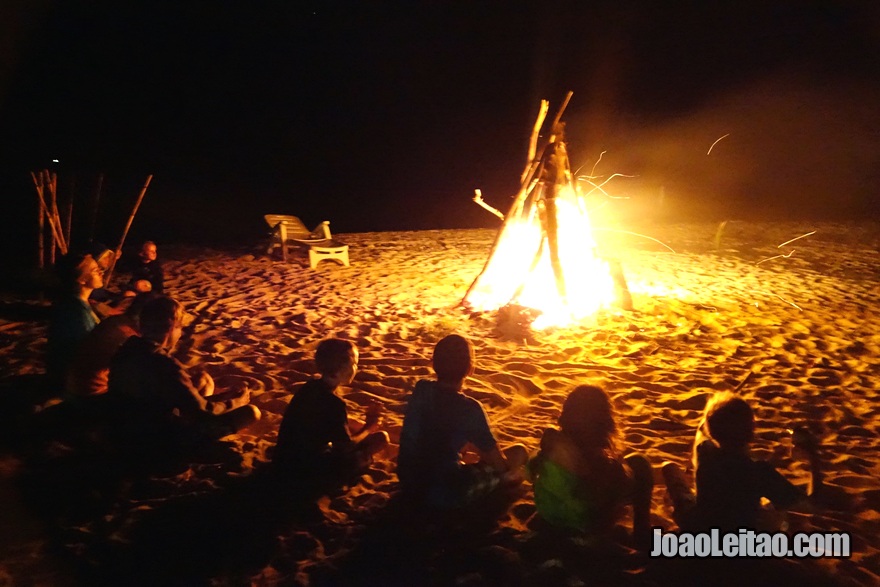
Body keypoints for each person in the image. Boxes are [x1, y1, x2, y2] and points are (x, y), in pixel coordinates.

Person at [107, 295, 260, 462]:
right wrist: (238, 401)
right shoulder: (163, 363)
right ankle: (196, 450)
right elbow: (203, 412)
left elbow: (176, 396)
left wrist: (222, 399)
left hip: (121, 432)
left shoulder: (127, 350)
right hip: (155, 443)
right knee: (251, 412)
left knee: (202, 385)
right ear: (172, 328)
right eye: (181, 328)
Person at [397, 334, 528, 509]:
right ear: (470, 369)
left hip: (408, 480)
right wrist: (508, 474)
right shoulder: (470, 409)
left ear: (434, 364)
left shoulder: (421, 389)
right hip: (441, 493)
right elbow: (498, 463)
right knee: (519, 453)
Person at [662, 391, 823, 532]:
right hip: (740, 545)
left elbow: (704, 433)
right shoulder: (759, 472)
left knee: (670, 469)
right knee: (776, 516)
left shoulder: (705, 452)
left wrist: (713, 414)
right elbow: (811, 505)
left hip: (700, 529)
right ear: (751, 432)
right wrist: (813, 456)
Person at [528, 385, 653, 544]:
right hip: (586, 522)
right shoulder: (601, 463)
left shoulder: (552, 446)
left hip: (551, 514)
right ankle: (642, 534)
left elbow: (531, 469)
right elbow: (620, 484)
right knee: (640, 464)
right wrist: (620, 465)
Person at [273, 338, 389, 492]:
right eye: (354, 363)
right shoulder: (334, 403)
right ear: (343, 367)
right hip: (305, 474)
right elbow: (344, 446)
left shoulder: (309, 388)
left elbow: (328, 424)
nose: (356, 368)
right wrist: (369, 427)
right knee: (380, 439)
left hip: (282, 462)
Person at [66, 292, 153, 397]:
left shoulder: (118, 321)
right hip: (91, 393)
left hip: (75, 384)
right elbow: (139, 372)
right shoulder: (128, 335)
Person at [46, 253, 103, 391]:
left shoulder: (78, 303)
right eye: (95, 270)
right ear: (81, 279)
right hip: (73, 381)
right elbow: (86, 352)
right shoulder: (75, 313)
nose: (101, 272)